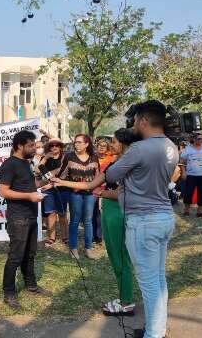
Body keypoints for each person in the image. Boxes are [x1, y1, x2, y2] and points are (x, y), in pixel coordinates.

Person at [105, 100, 179, 338]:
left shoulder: (140, 149)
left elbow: (112, 174)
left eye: (135, 120)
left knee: (149, 285)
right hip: (164, 216)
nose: (133, 124)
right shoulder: (171, 146)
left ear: (144, 120)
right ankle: (157, 329)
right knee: (158, 280)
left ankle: (153, 335)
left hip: (144, 222)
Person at [53, 128, 138, 316]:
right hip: (110, 210)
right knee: (116, 257)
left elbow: (127, 193)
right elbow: (89, 185)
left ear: (123, 143)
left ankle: (126, 302)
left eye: (114, 141)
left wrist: (103, 193)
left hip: (118, 212)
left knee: (120, 257)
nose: (111, 144)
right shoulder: (117, 162)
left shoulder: (128, 164)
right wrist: (62, 182)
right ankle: (124, 297)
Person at [0, 130, 47, 309]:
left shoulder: (27, 163)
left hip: (32, 214)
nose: (35, 148)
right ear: (19, 145)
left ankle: (31, 285)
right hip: (18, 217)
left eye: (35, 144)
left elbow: (29, 185)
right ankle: (9, 293)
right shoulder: (10, 164)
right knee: (16, 256)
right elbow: (3, 191)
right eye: (31, 145)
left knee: (30, 253)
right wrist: (29, 197)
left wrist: (45, 184)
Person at [60, 134, 99, 259]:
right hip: (75, 194)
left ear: (87, 144)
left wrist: (97, 191)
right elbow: (62, 175)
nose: (76, 144)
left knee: (88, 221)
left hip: (90, 194)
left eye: (79, 142)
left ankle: (88, 249)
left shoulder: (94, 158)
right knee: (75, 221)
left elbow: (98, 177)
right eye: (75, 142)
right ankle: (73, 248)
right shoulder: (69, 157)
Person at [37, 139, 69, 246]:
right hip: (49, 188)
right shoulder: (44, 158)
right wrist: (45, 158)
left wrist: (54, 181)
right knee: (51, 213)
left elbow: (64, 172)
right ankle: (52, 237)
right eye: (51, 146)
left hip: (62, 188)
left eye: (57, 145)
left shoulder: (65, 157)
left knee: (62, 213)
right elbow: (39, 169)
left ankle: (65, 237)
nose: (54, 147)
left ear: (60, 147)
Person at [181, 133, 202, 218]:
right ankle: (186, 211)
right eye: (198, 138)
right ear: (194, 139)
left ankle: (199, 212)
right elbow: (182, 162)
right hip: (191, 175)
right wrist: (183, 172)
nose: (201, 140)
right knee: (188, 193)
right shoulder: (188, 149)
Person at [93, 139, 116, 244]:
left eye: (104, 146)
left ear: (107, 148)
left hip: (105, 189)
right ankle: (94, 235)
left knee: (100, 213)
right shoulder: (92, 158)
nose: (101, 147)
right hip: (92, 188)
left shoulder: (111, 159)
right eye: (99, 145)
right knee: (92, 213)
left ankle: (99, 236)